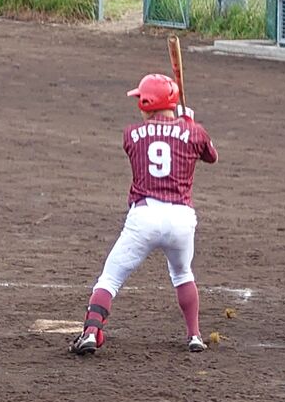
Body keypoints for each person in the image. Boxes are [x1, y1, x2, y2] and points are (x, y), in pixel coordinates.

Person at [70, 74, 219, 356]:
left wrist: (180, 126)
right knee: (182, 273)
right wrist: (190, 125)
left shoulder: (130, 134)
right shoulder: (194, 132)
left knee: (110, 279)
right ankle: (195, 336)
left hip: (145, 216)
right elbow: (211, 156)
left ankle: (91, 332)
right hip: (181, 219)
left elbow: (151, 136)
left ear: (148, 103)